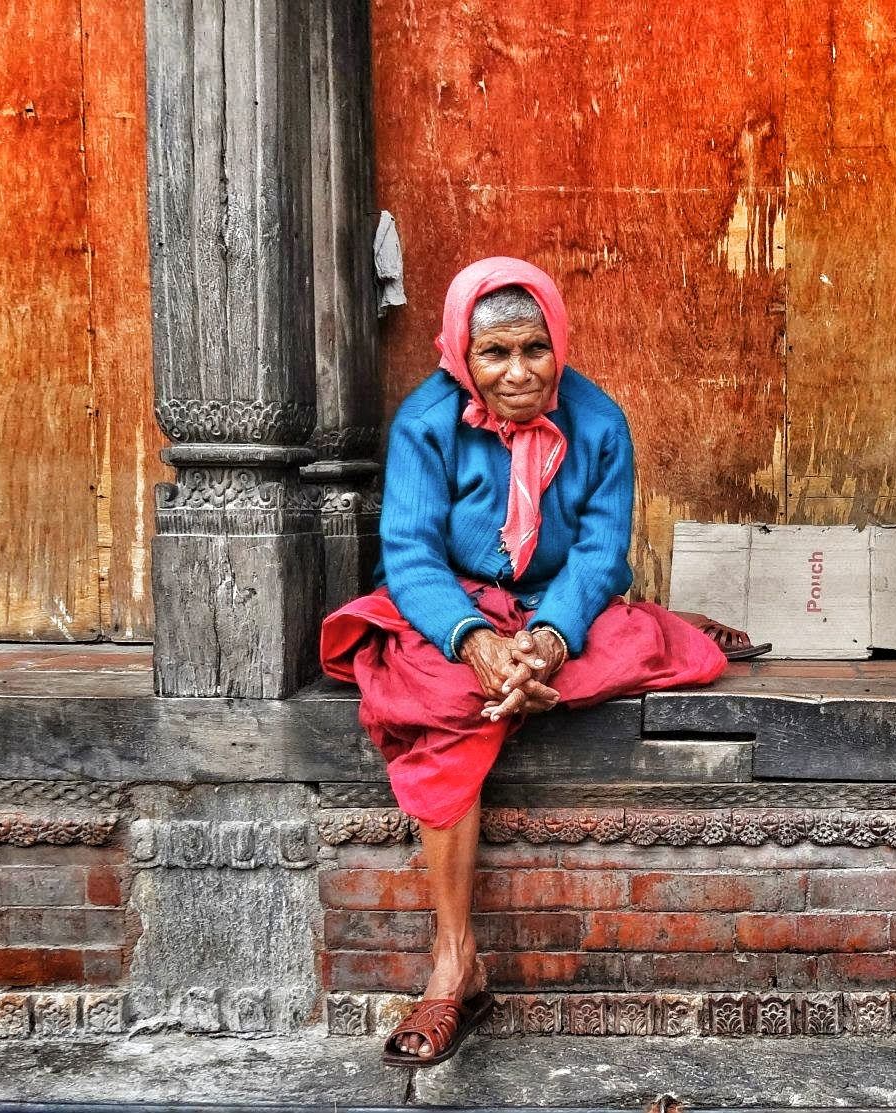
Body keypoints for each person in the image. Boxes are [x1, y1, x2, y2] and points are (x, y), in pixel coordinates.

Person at [319, 257, 749, 1067]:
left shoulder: (599, 420)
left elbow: (597, 549)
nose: (519, 372)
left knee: (609, 647)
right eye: (495, 354)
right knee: (445, 697)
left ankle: (580, 650)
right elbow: (410, 554)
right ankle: (455, 965)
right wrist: (477, 643)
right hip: (461, 604)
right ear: (462, 353)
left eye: (535, 349)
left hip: (551, 605)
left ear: (559, 344)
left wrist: (545, 641)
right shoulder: (425, 421)